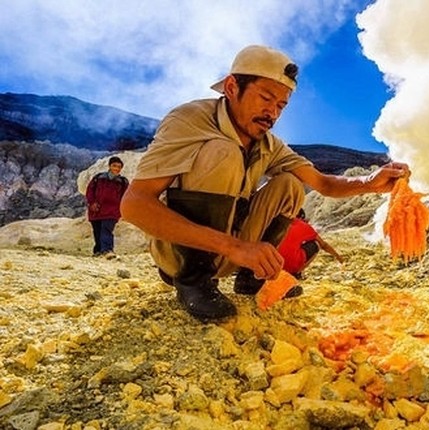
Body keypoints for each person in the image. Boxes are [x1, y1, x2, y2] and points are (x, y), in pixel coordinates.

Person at [120, 45, 409, 322]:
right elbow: (134, 205)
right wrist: (233, 246)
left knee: (290, 185)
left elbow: (323, 184)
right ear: (232, 88)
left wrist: (371, 181)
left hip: (232, 253)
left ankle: (253, 277)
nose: (273, 113)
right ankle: (193, 280)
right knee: (224, 152)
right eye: (266, 98)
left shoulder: (268, 143)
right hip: (179, 253)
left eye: (281, 105)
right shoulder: (190, 120)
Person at [277, 209, 344, 279]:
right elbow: (324, 245)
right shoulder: (303, 225)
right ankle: (298, 273)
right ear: (301, 218)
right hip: (291, 267)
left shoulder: (278, 223)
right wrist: (338, 257)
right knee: (316, 244)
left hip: (276, 265)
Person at [86, 156, 129, 259]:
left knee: (106, 229)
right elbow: (90, 191)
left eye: (119, 167)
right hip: (96, 210)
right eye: (114, 166)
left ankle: (107, 250)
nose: (116, 169)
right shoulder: (99, 178)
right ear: (109, 166)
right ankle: (98, 251)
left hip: (112, 211)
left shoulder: (123, 182)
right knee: (97, 231)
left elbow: (126, 196)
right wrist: (92, 203)